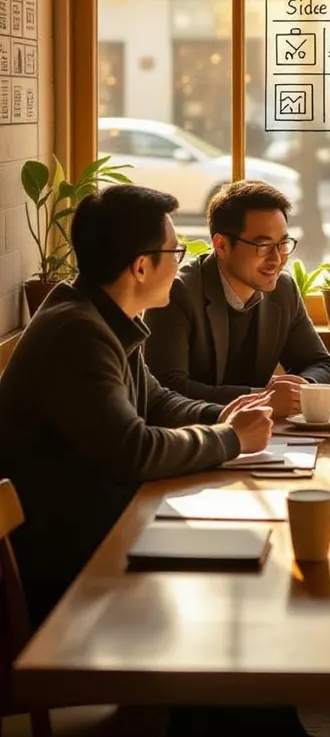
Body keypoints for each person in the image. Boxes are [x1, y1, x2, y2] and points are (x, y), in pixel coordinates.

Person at [0, 185, 273, 628]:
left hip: (102, 533)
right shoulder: (77, 333)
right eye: (176, 252)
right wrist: (230, 438)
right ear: (142, 266)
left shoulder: (106, 316)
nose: (182, 266)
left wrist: (220, 415)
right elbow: (134, 451)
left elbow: (157, 401)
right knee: (233, 606)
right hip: (68, 572)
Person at [145, 181, 330, 417]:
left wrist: (299, 390)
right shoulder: (178, 293)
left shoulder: (283, 289)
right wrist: (262, 398)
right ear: (222, 245)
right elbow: (168, 388)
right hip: (197, 437)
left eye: (282, 244)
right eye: (264, 245)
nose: (277, 259)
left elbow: (323, 365)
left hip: (266, 439)